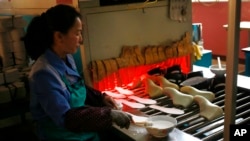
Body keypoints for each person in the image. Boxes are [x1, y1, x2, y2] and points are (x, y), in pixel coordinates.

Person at [21, 4, 132, 141]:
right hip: (60, 136)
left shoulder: (67, 57)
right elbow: (66, 117)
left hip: (80, 132)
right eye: (77, 33)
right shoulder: (43, 74)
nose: (81, 39)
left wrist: (100, 97)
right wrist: (108, 115)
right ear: (59, 37)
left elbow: (76, 86)